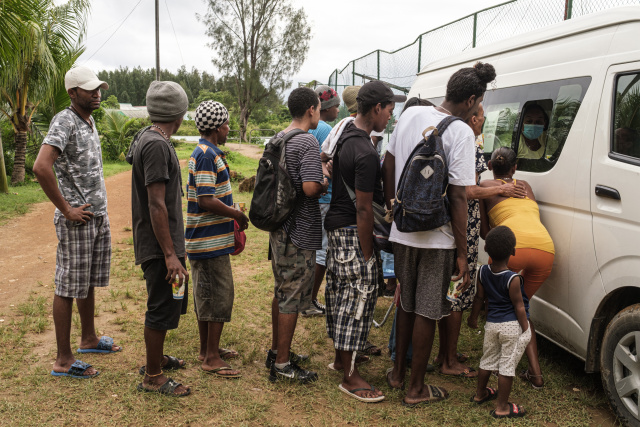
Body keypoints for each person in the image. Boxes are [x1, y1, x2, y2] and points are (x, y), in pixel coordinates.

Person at [383, 62, 496, 406]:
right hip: (438, 236)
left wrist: (394, 207)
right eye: (479, 103)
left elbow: (388, 163)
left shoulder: (409, 116)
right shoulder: (461, 131)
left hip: (403, 230)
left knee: (406, 302)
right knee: (429, 311)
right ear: (472, 99)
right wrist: (462, 253)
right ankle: (415, 389)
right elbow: (460, 195)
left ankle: (398, 374)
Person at [33, 66, 120, 380]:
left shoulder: (89, 120)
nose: (97, 94)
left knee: (87, 281)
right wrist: (66, 209)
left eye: (98, 88)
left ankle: (88, 339)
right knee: (68, 285)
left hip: (97, 217)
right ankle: (63, 359)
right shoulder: (64, 120)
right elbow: (41, 167)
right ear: (73, 93)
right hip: (77, 221)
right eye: (89, 90)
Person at [324, 80, 405, 402]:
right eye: (389, 110)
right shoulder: (366, 152)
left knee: (341, 295)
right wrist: (368, 253)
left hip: (336, 230)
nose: (391, 116)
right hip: (351, 232)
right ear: (376, 109)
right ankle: (350, 376)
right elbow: (362, 207)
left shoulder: (346, 135)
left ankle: (340, 359)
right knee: (359, 298)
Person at [435, 103, 527, 375]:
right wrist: (505, 189)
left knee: (451, 290)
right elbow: (469, 191)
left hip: (448, 224)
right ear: (474, 119)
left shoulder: (446, 134)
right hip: (465, 225)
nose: (484, 123)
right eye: (483, 118)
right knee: (458, 292)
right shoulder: (470, 142)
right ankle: (450, 360)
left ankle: (444, 353)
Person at [127, 81, 191, 397]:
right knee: (161, 305)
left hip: (166, 243)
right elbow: (155, 203)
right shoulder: (155, 145)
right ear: (178, 113)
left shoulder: (152, 138)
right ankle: (153, 376)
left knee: (170, 303)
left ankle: (158, 359)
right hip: (159, 246)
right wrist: (169, 253)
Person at [478, 146, 555, 389]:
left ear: (490, 166)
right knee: (522, 307)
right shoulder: (526, 186)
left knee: (501, 309)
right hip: (545, 249)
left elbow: (484, 233)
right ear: (515, 168)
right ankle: (536, 375)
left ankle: (494, 365)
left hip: (512, 249)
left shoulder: (483, 189)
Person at [266, 87, 328, 384]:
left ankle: (278, 349)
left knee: (281, 290)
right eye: (318, 108)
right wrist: (324, 177)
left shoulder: (279, 137)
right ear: (311, 110)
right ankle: (281, 364)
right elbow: (310, 188)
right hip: (298, 229)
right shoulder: (305, 141)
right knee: (291, 295)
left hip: (279, 226)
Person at [185, 100, 249, 378]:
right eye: (226, 124)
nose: (228, 128)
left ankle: (207, 349)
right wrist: (236, 214)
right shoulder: (207, 155)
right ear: (217, 127)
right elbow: (206, 199)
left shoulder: (206, 152)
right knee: (218, 295)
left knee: (206, 296)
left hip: (207, 240)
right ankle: (211, 358)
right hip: (207, 242)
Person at [471, 225, 530, 419]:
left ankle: (480, 394)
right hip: (510, 326)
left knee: (487, 359)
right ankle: (502, 407)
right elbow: (519, 306)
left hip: (491, 326)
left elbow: (479, 299)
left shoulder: (482, 272)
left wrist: (473, 318)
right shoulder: (513, 279)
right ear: (512, 252)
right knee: (506, 366)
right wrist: (526, 327)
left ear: (486, 249)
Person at [303, 85, 341, 317]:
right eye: (335, 105)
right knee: (322, 250)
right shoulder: (328, 130)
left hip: (310, 194)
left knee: (313, 247)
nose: (338, 109)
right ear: (325, 107)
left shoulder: (310, 128)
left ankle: (306, 297)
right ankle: (309, 300)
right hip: (325, 195)